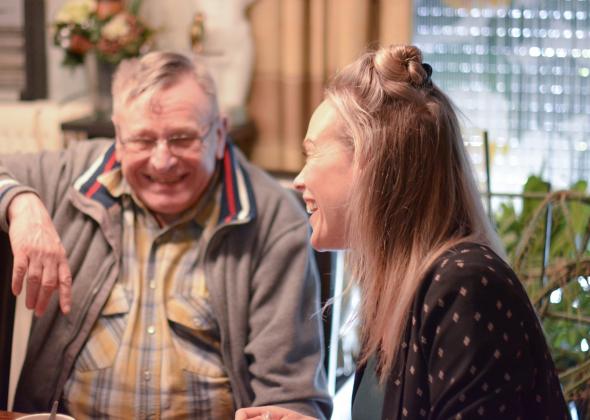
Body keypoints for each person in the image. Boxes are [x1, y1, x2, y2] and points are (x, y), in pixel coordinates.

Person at [235, 44, 569, 420]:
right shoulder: (397, 290)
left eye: (312, 153)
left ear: (371, 162)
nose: (299, 179)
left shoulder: (465, 286)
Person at [0, 51, 331, 419]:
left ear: (219, 132)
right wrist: (20, 202)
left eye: (182, 138)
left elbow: (290, 396)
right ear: (118, 137)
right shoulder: (69, 178)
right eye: (142, 140)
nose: (162, 161)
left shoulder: (273, 220)